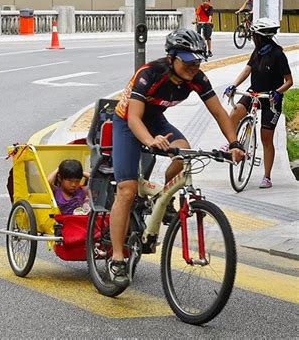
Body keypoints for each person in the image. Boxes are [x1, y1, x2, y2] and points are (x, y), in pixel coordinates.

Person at [109, 28, 245, 288]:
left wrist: (234, 143)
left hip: (156, 118)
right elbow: (135, 118)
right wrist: (149, 141)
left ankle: (165, 199)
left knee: (183, 152)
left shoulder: (198, 78)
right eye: (188, 61)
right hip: (127, 122)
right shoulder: (149, 74)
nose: (194, 66)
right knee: (126, 190)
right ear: (171, 58)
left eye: (197, 61)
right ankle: (117, 257)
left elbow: (219, 113)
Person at [223, 18, 293, 189]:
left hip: (270, 98)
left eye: (254, 35)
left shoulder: (278, 54)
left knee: (266, 138)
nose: (252, 37)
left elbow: (289, 81)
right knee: (235, 113)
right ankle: (232, 142)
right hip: (254, 92)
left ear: (259, 36)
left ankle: (267, 177)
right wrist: (234, 85)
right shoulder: (258, 52)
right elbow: (247, 70)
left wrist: (278, 92)